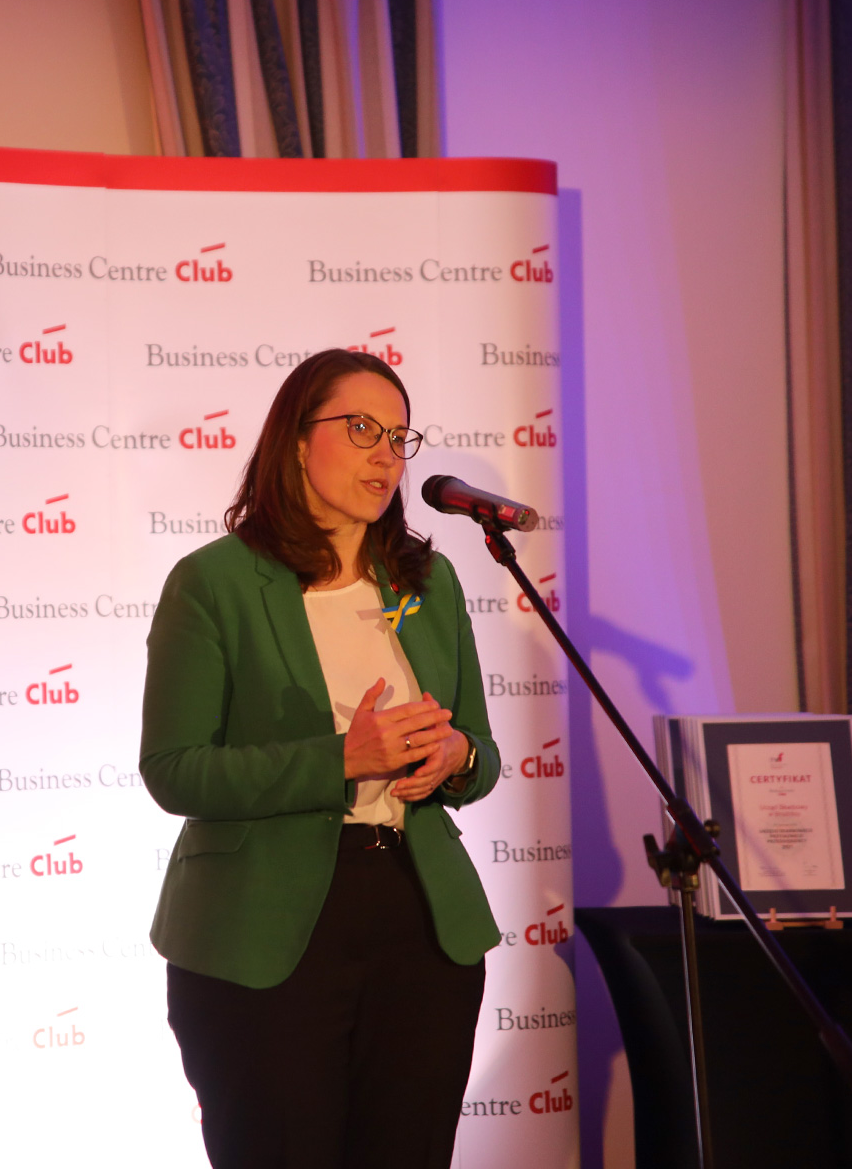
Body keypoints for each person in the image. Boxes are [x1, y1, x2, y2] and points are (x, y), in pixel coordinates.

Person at [140, 348, 501, 1168]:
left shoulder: (428, 581)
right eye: (363, 429)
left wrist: (454, 756)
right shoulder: (214, 583)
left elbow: (480, 751)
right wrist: (342, 758)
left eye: (399, 437)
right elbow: (175, 768)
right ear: (297, 440)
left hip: (419, 919)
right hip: (263, 926)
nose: (387, 455)